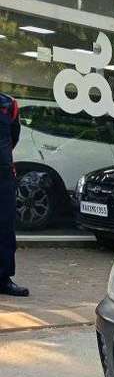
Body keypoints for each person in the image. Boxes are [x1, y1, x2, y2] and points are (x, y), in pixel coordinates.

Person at [0, 92, 28, 297]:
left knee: (5, 227)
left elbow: (14, 136)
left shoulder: (8, 104)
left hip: (3, 174)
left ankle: (3, 279)